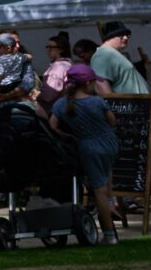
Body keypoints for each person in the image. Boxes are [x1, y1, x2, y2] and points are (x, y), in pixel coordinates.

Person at [50, 77, 123, 244]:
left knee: (98, 191)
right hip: (110, 143)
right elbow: (112, 121)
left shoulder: (62, 104)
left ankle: (110, 234)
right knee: (105, 177)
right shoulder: (97, 101)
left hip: (88, 146)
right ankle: (110, 205)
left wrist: (68, 136)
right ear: (88, 84)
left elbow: (52, 127)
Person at [0, 31, 38, 105]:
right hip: (2, 102)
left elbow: (27, 84)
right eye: (15, 43)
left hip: (13, 100)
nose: (18, 46)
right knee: (32, 104)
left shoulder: (3, 61)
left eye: (19, 42)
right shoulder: (19, 58)